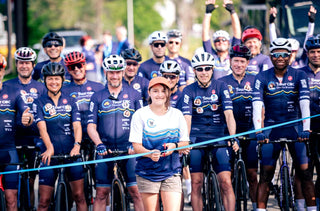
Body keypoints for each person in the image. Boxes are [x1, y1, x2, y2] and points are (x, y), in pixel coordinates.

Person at [252, 38, 316, 211]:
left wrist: (305, 128)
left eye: (284, 54)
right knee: (265, 176)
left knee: (305, 174)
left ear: (290, 57)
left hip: (295, 128)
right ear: (271, 57)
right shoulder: (262, 77)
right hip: (270, 128)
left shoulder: (299, 75)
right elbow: (257, 105)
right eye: (276, 54)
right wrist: (259, 131)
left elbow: (304, 104)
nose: (280, 57)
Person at [180, 52, 239, 211]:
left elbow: (228, 114)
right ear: (194, 71)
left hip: (218, 136)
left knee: (226, 182)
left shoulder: (221, 87)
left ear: (212, 69)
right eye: (200, 69)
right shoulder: (188, 91)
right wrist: (185, 140)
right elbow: (187, 118)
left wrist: (233, 137)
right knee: (196, 182)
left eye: (207, 68)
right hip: (196, 138)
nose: (204, 72)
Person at [87, 55, 144, 211]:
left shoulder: (134, 95)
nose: (114, 76)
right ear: (105, 72)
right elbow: (91, 125)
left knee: (136, 192)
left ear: (123, 72)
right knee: (101, 193)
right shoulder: (97, 96)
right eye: (111, 72)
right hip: (105, 149)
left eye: (118, 72)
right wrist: (98, 144)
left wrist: (136, 143)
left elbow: (142, 122)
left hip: (129, 149)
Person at [129, 76, 190, 211]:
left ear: (168, 93)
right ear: (149, 93)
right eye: (155, 91)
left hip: (171, 172)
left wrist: (174, 146)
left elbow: (185, 142)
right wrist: (150, 154)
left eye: (163, 91)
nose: (160, 95)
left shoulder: (177, 114)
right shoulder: (140, 115)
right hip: (147, 173)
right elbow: (136, 146)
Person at [34, 62, 87, 211]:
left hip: (72, 154)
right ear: (44, 80)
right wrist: (49, 148)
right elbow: (42, 129)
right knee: (43, 201)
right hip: (50, 156)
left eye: (57, 78)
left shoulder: (71, 100)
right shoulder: (39, 102)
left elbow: (77, 125)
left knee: (79, 196)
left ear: (63, 80)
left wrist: (77, 145)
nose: (53, 82)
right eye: (50, 79)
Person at [4, 47, 46, 209]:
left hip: (35, 138)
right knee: (10, 182)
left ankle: (29, 207)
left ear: (33, 65)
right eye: (21, 63)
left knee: (30, 179)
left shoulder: (41, 87)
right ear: (16, 64)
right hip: (12, 139)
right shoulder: (7, 85)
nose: (24, 66)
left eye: (27, 63)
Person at [219, 45, 258, 210]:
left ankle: (257, 206)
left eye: (242, 61)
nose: (239, 64)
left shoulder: (256, 80)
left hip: (250, 132)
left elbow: (261, 108)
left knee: (252, 174)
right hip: (228, 133)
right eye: (236, 61)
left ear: (248, 63)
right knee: (229, 175)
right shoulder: (221, 82)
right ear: (230, 61)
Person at [0, 54, 34, 211]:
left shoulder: (13, 91)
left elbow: (26, 111)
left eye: (0, 68)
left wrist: (28, 118)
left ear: (3, 70)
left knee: (11, 198)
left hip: (8, 149)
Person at [159, 60, 192, 207]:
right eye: (166, 76)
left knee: (176, 185)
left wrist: (183, 143)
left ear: (178, 78)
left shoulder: (183, 95)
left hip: (176, 143)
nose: (169, 80)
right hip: (158, 142)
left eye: (172, 76)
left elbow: (186, 121)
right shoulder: (156, 95)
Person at [62, 51, 104, 157]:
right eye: (72, 67)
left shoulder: (99, 87)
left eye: (79, 65)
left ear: (84, 65)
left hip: (96, 135)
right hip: (74, 137)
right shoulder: (63, 90)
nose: (76, 69)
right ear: (68, 69)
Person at [301, 35, 320, 210]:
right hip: (305, 130)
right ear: (307, 54)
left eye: (319, 52)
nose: (316, 55)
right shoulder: (300, 74)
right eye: (312, 52)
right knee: (305, 173)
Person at [202, 0, 241, 79]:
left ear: (229, 42)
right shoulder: (211, 55)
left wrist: (232, 11)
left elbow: (237, 32)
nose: (220, 42)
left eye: (224, 39)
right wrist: (208, 13)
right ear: (214, 43)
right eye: (217, 40)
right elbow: (205, 34)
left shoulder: (233, 54)